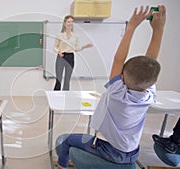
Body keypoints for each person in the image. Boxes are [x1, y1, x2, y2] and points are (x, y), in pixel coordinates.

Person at [56, 5, 166, 169]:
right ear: (153, 82)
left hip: (108, 150)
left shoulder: (117, 92)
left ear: (121, 77)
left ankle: (62, 166)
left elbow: (117, 60)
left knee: (66, 141)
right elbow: (150, 63)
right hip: (132, 152)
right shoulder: (149, 94)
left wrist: (131, 27)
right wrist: (159, 30)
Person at [53, 15, 93, 91]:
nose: (70, 23)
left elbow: (76, 48)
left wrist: (84, 47)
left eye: (72, 22)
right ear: (64, 23)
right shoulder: (59, 35)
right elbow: (55, 47)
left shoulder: (75, 36)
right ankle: (56, 97)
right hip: (61, 57)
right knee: (58, 79)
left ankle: (65, 97)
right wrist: (58, 51)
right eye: (68, 22)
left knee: (67, 80)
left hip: (70, 57)